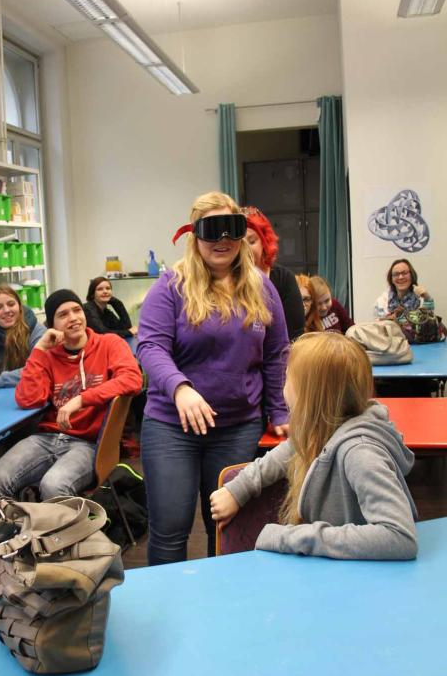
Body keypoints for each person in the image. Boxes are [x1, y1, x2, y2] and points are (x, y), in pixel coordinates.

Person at [137, 191, 289, 566]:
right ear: (194, 236)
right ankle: (168, 614)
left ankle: (218, 613)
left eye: (232, 230)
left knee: (224, 526)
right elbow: (150, 348)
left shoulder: (261, 287)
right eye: (211, 231)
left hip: (236, 426)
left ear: (241, 235)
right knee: (171, 528)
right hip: (172, 426)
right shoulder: (170, 287)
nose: (222, 240)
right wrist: (180, 388)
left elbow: (276, 354)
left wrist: (281, 411)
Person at [210, 331, 418, 560]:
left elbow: (399, 537)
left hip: (363, 582)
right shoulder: (325, 430)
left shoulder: (360, 453)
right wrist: (239, 489)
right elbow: (288, 450)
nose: (283, 387)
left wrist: (293, 537)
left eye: (288, 377)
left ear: (310, 395)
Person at [0, 289, 143, 510]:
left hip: (88, 444)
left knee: (53, 485)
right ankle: (9, 540)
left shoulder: (109, 343)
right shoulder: (49, 355)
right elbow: (28, 399)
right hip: (46, 438)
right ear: (52, 325)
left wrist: (81, 400)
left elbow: (133, 379)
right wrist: (39, 350)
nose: (73, 318)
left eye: (77, 310)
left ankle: (62, 544)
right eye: (63, 314)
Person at [244, 207, 305, 341]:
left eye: (252, 241)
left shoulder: (284, 278)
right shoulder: (225, 280)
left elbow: (295, 335)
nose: (245, 249)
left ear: (264, 242)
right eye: (240, 243)